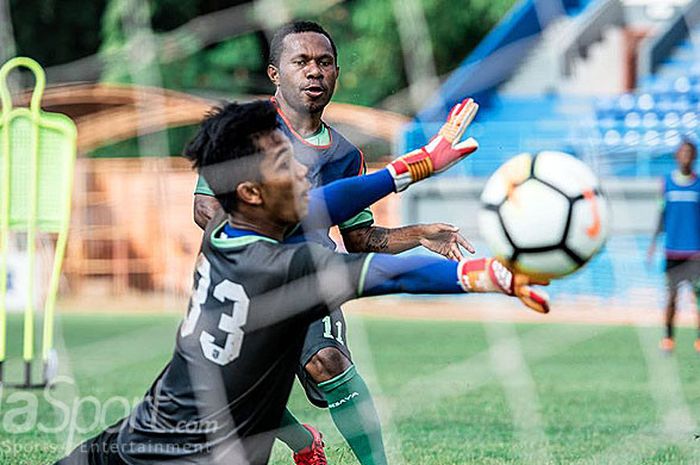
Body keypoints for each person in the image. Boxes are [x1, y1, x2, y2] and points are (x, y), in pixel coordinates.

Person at [54, 100, 548, 465]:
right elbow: (389, 274)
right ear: (250, 191)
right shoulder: (275, 268)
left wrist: (421, 161)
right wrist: (489, 274)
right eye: (283, 165)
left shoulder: (233, 227)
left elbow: (335, 198)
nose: (300, 169)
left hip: (144, 430)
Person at [193, 21, 475, 465]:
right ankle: (301, 440)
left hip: (309, 278)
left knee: (327, 361)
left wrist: (418, 234)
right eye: (301, 61)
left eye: (324, 62)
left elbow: (360, 237)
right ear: (274, 73)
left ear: (337, 73)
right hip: (241, 279)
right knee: (229, 389)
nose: (314, 72)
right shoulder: (244, 133)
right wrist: (260, 236)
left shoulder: (346, 155)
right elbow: (205, 209)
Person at [648, 140, 700, 353]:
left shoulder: (699, 184)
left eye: (690, 152)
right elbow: (662, 214)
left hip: (696, 252)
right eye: (682, 152)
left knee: (697, 298)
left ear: (694, 156)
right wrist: (653, 243)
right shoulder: (666, 183)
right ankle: (668, 338)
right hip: (672, 251)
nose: (686, 156)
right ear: (676, 156)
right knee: (671, 297)